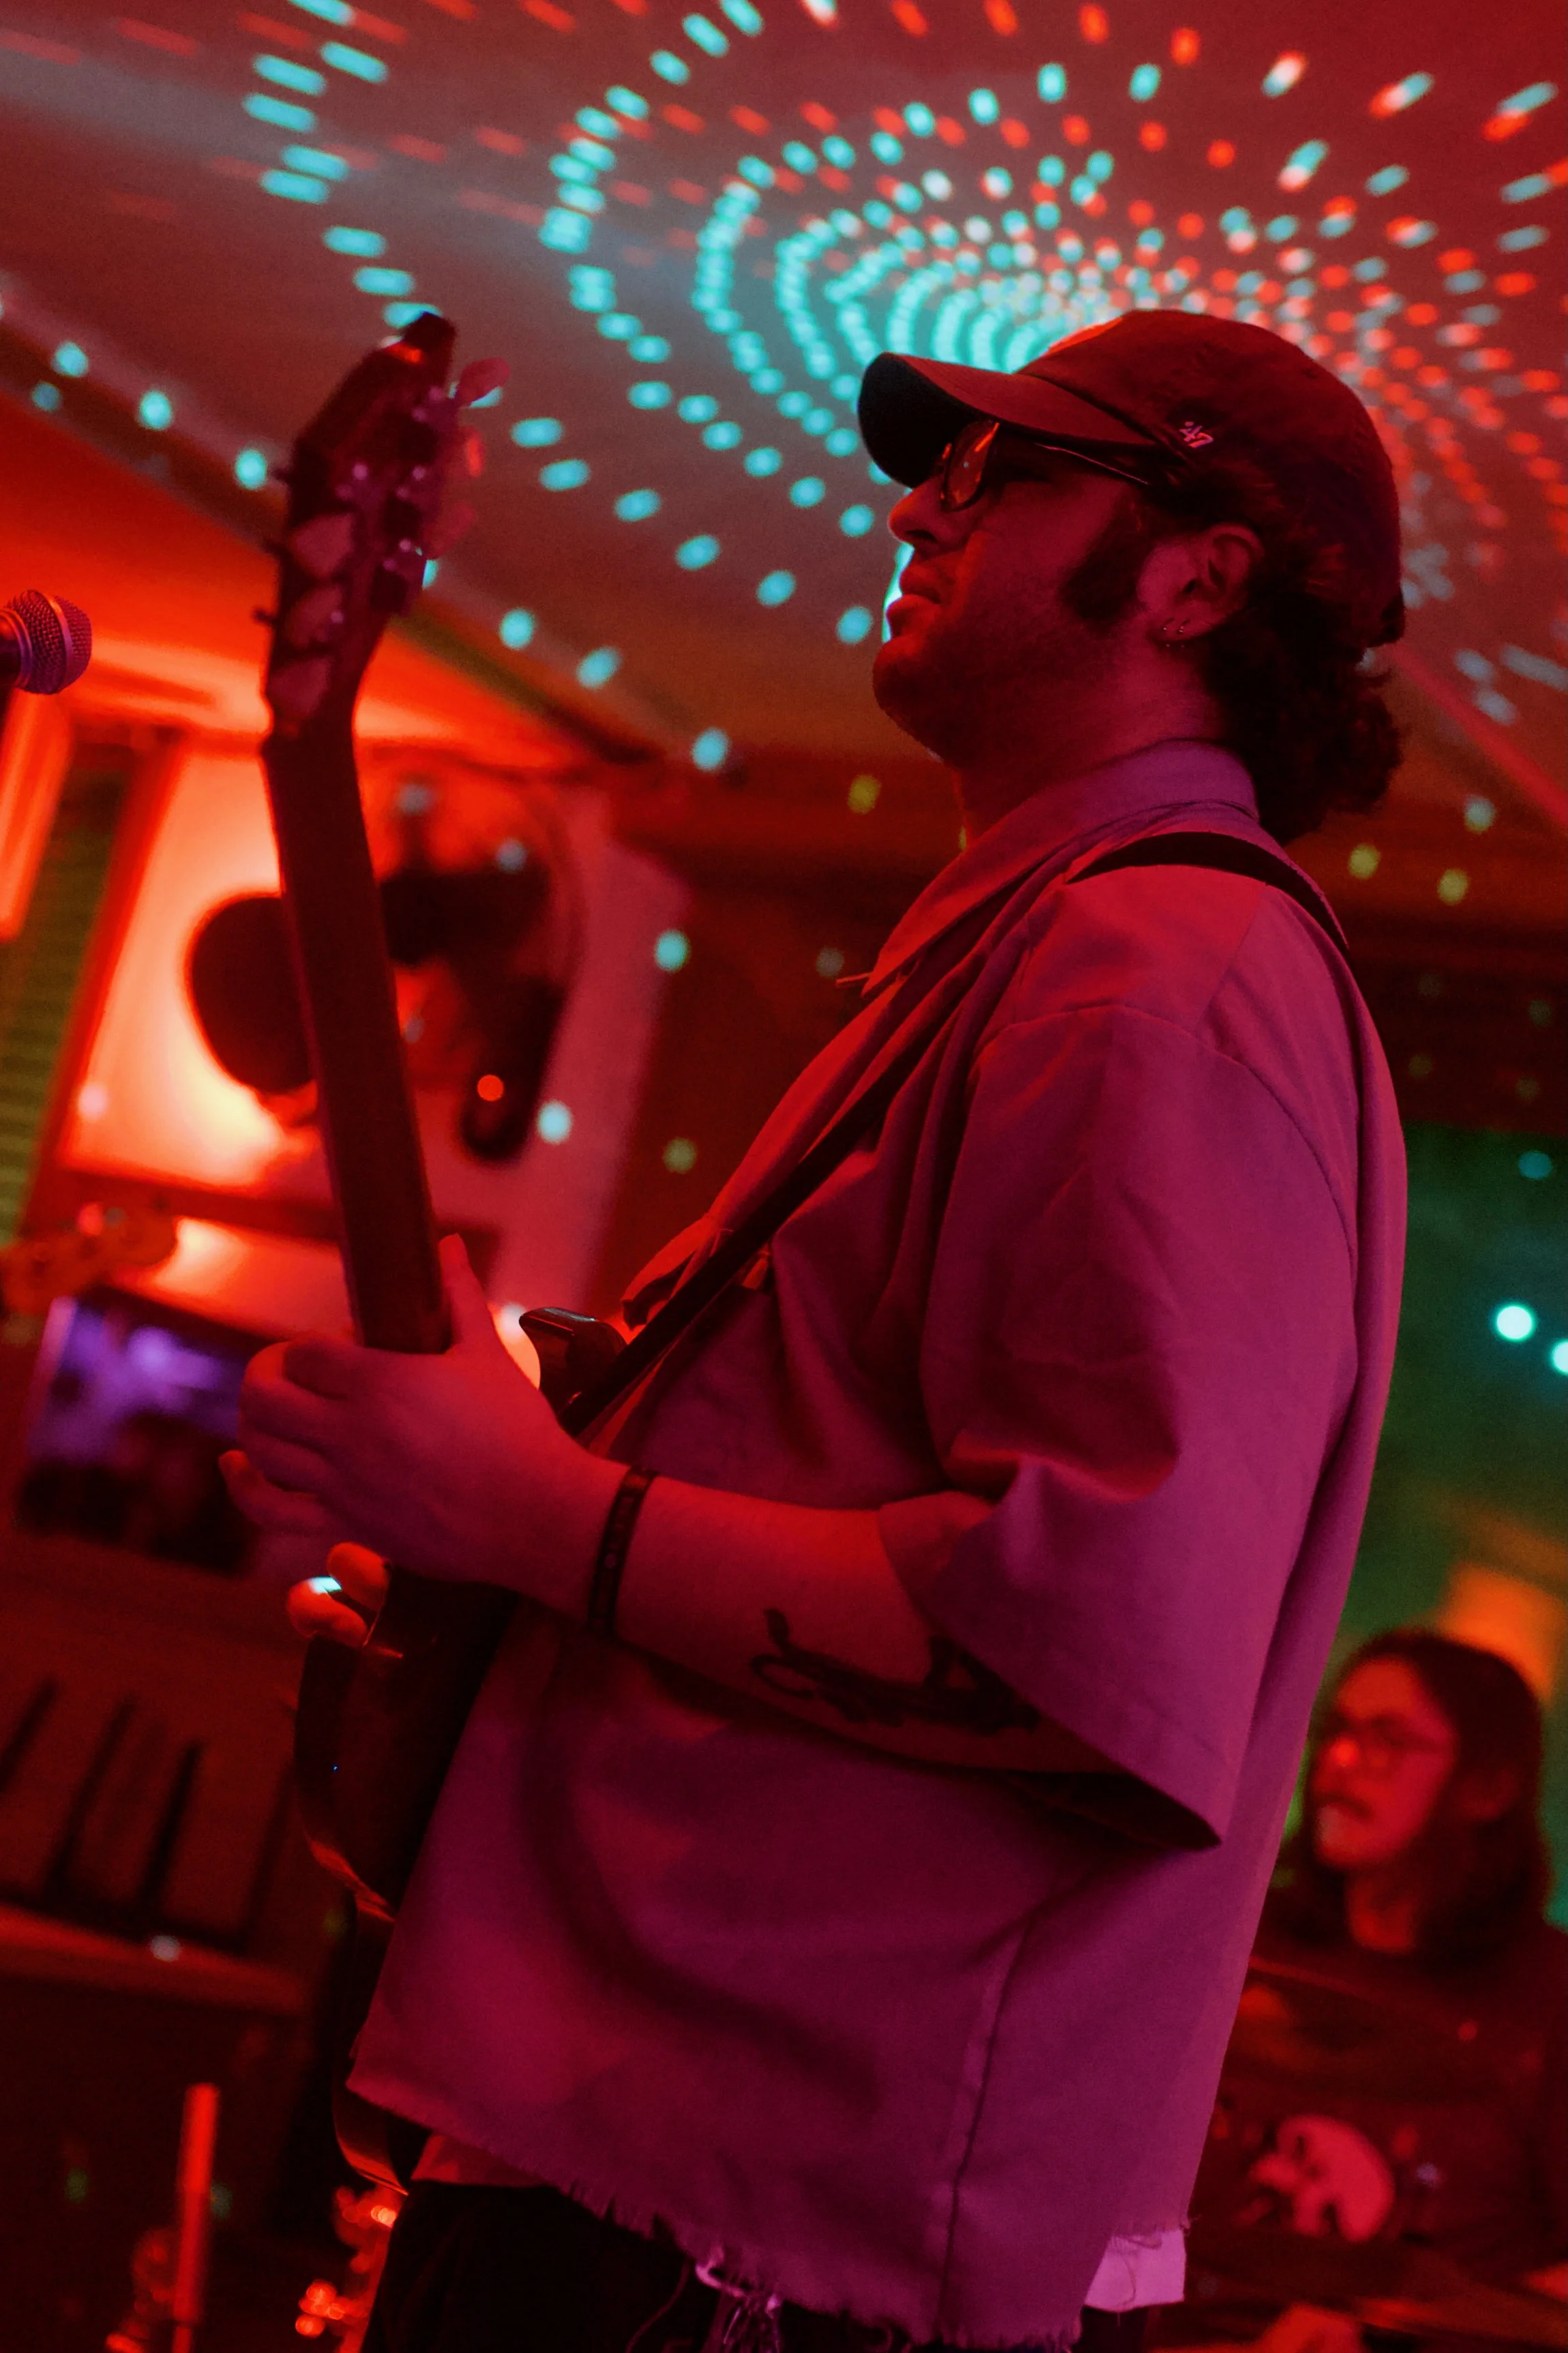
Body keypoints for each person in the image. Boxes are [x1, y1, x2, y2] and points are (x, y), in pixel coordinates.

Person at [223, 310, 1409, 2353]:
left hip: (746, 2234)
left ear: (1198, 576)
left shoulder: (1162, 968)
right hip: (656, 2159)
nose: (921, 499)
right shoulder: (1044, 943)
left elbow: (1089, 1651)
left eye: (1010, 471)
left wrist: (545, 1520)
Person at [1168, 1631, 1566, 2353]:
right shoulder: (1248, 1940)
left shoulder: (1550, 1997)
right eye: (1337, 1730)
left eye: (1386, 1740)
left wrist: (1383, 2330)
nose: (1339, 1762)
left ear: (1488, 1788)